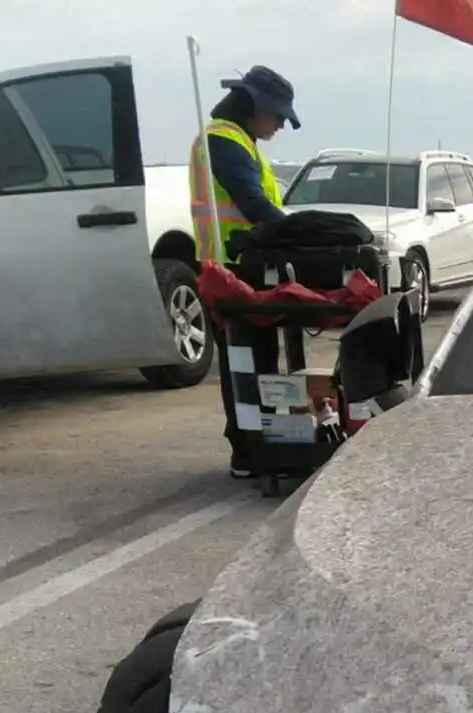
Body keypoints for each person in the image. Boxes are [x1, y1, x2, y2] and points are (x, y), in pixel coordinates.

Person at [189, 67, 299, 476]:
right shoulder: (225, 140)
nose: (280, 126)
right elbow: (253, 204)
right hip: (232, 271)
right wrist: (299, 236)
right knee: (246, 362)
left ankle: (261, 444)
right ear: (255, 107)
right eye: (278, 117)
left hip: (241, 267)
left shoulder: (238, 140)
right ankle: (250, 450)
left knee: (256, 360)